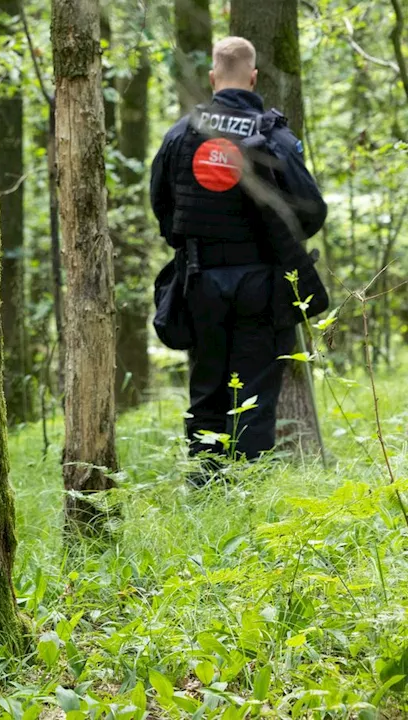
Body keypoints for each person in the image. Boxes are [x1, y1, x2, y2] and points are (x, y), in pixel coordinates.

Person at [150, 37, 328, 479]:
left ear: (213, 78)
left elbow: (162, 209)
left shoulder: (180, 135)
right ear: (253, 77)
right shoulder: (274, 136)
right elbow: (311, 211)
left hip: (200, 280)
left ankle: (205, 491)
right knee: (254, 395)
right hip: (261, 286)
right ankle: (246, 493)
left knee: (207, 390)